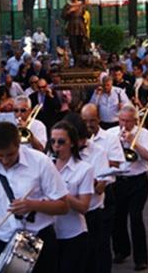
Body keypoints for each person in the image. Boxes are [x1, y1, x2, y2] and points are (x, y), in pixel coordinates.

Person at [0, 122, 69, 273]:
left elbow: (63, 206)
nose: (5, 161)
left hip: (38, 238)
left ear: (19, 144)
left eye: (10, 154)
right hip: (2, 239)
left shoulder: (40, 162)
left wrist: (33, 205)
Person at [106, 105, 148, 271]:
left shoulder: (144, 133)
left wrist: (133, 142)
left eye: (128, 121)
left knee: (135, 218)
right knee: (117, 218)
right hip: (117, 181)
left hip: (138, 181)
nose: (124, 124)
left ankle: (141, 259)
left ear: (135, 121)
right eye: (121, 120)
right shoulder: (110, 133)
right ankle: (121, 251)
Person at [62, 114, 111, 273]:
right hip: (65, 216)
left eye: (83, 139)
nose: (81, 143)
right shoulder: (58, 153)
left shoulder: (97, 152)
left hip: (91, 212)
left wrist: (87, 180)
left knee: (94, 257)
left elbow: (99, 188)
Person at [81, 103, 126, 273]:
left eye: (92, 120)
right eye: (85, 120)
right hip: (83, 196)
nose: (88, 125)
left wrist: (100, 165)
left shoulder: (110, 138)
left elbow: (118, 163)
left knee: (101, 243)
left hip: (105, 192)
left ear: (98, 119)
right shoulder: (79, 137)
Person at [50, 121, 94, 273]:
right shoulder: (46, 165)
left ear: (72, 144)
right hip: (48, 233)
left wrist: (62, 192)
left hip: (73, 234)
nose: (56, 146)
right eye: (53, 141)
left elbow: (84, 207)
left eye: (61, 142)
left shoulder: (84, 169)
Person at [62, 0, 89, 66]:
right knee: (73, 45)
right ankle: (76, 60)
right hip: (72, 26)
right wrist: (69, 11)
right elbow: (63, 16)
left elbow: (85, 11)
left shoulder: (81, 4)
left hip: (80, 26)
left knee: (82, 43)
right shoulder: (68, 6)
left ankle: (82, 61)